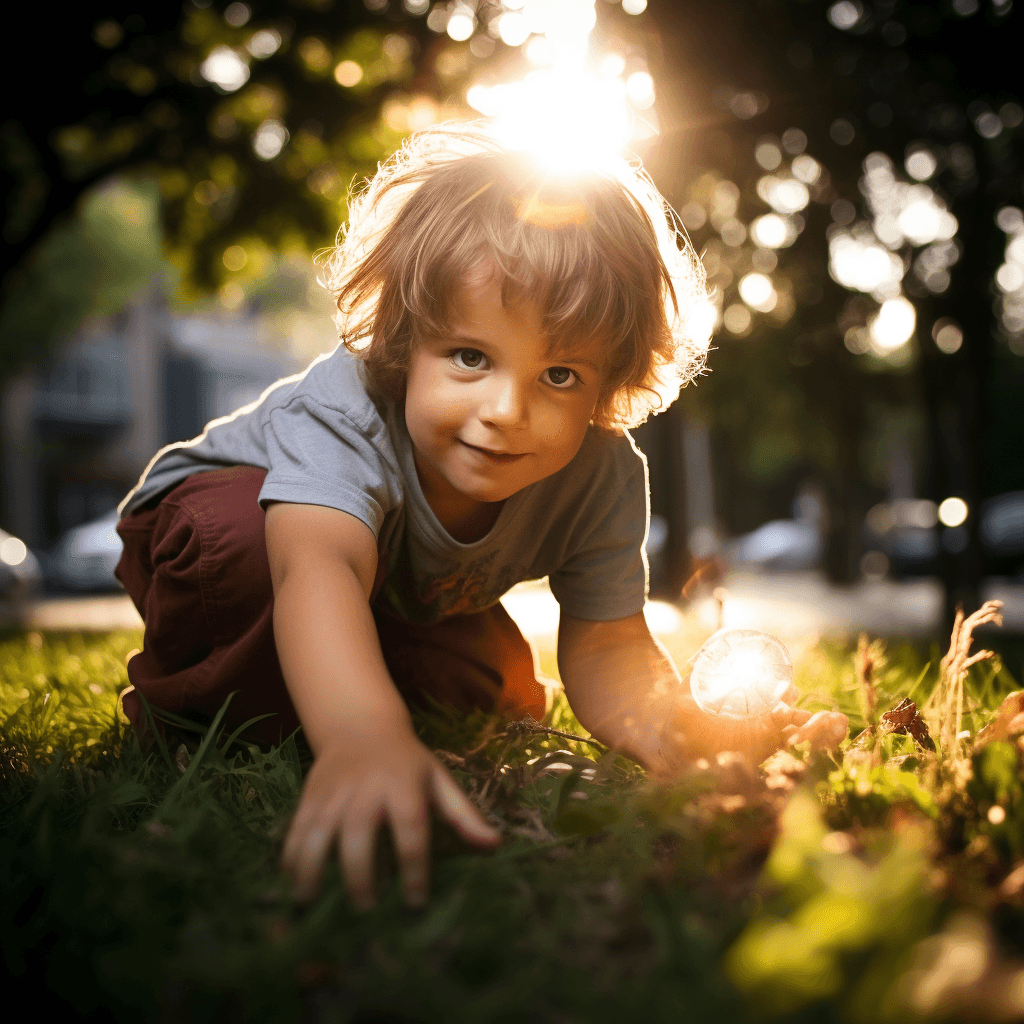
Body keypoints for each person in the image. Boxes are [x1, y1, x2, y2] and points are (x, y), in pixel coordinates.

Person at [115, 124, 842, 913]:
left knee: (487, 692)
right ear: (405, 337)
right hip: (224, 528)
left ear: (606, 389)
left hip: (398, 586)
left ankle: (356, 675)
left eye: (559, 374)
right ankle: (191, 701)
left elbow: (610, 643)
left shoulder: (601, 476)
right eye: (469, 356)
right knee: (249, 562)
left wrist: (678, 733)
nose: (506, 411)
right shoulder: (343, 414)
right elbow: (314, 569)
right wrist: (363, 735)